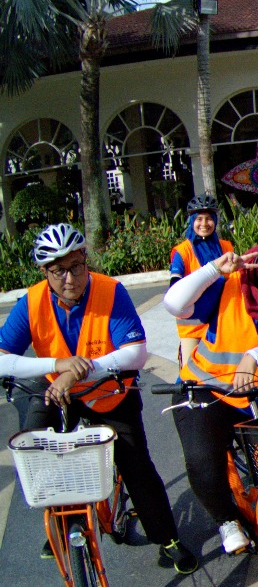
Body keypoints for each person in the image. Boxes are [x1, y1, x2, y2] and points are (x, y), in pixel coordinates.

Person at [0, 225, 198, 574]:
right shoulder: (31, 302)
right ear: (44, 271)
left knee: (135, 463)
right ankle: (62, 521)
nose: (70, 278)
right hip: (56, 390)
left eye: (77, 266)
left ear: (85, 260)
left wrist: (79, 371)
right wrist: (58, 366)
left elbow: (136, 353)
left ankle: (168, 539)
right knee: (38, 449)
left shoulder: (110, 291)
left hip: (109, 390)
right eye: (58, 270)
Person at [162, 223, 258, 555]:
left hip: (255, 396)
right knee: (203, 463)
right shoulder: (228, 282)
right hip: (205, 389)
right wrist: (214, 269)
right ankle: (226, 518)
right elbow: (174, 304)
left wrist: (254, 356)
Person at [169, 194, 234, 366]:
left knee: (222, 370)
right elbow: (174, 288)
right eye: (199, 219)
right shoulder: (183, 251)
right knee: (190, 373)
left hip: (221, 322)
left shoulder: (226, 247)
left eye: (209, 219)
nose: (204, 224)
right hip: (193, 325)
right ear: (192, 221)